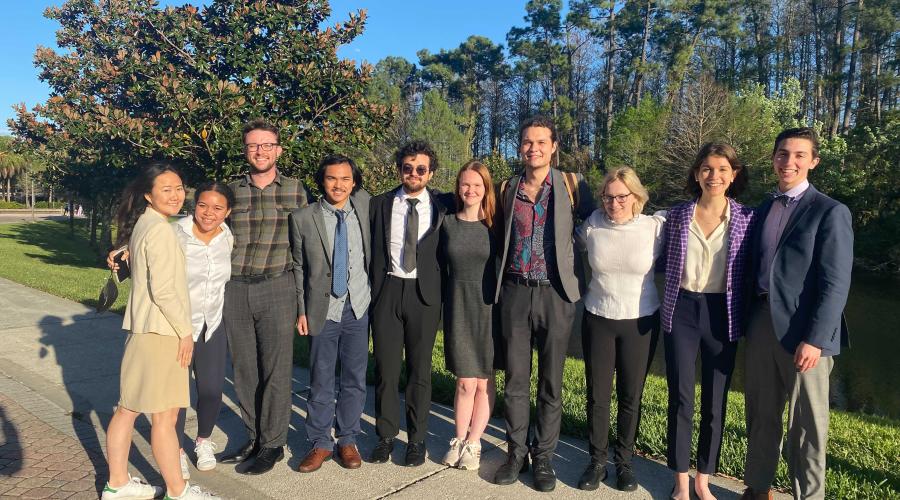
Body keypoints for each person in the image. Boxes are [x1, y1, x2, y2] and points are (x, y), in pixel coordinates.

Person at [741, 128, 853, 500]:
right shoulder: (763, 207)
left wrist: (817, 339)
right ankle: (758, 488)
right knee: (760, 413)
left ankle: (809, 495)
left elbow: (835, 284)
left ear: (813, 162)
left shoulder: (830, 212)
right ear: (773, 158)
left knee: (806, 424)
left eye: (799, 155)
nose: (789, 162)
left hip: (805, 333)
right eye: (782, 154)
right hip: (759, 322)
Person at [102, 162, 219, 500]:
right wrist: (185, 332)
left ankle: (118, 483)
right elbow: (164, 291)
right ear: (148, 195)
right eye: (166, 189)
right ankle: (177, 491)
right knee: (164, 418)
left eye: (179, 187)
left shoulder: (145, 225)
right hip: (162, 332)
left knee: (128, 410)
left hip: (145, 331)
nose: (176, 194)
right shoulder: (159, 230)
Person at [492, 116, 594, 492]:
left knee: (551, 381)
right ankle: (516, 452)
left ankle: (544, 457)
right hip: (515, 292)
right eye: (526, 142)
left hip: (556, 293)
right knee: (516, 380)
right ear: (519, 146)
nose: (532, 148)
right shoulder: (507, 187)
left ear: (554, 146)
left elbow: (599, 224)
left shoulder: (572, 184)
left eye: (540, 142)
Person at [661, 143, 755, 500]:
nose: (714, 176)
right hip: (681, 309)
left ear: (734, 175)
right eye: (707, 168)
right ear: (696, 173)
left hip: (723, 314)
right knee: (681, 397)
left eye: (722, 169)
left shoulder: (748, 219)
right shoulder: (676, 216)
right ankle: (681, 480)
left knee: (716, 401)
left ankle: (704, 478)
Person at [218, 119, 309, 475]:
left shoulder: (297, 191)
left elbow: (309, 246)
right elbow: (200, 227)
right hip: (236, 288)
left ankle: (273, 443)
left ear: (279, 150)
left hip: (278, 286)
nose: (260, 151)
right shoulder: (230, 192)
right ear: (245, 150)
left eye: (267, 145)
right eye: (254, 145)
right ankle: (253, 436)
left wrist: (305, 302)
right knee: (244, 370)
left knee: (276, 369)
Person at [575, 167, 664, 492]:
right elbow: (570, 247)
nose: (614, 203)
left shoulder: (654, 227)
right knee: (597, 397)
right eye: (608, 196)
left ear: (635, 197)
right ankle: (597, 461)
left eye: (621, 196)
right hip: (598, 318)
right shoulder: (593, 224)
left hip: (640, 322)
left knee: (630, 396)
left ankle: (624, 463)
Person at [369, 140, 452, 467]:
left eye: (421, 169)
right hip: (388, 290)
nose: (414, 173)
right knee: (386, 369)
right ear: (399, 170)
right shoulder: (380, 204)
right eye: (407, 167)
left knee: (420, 372)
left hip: (425, 295)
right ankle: (386, 436)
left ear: (431, 172)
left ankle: (417, 440)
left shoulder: (445, 205)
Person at [288, 155, 371, 473]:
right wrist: (301, 309)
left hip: (358, 307)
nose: (339, 185)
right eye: (332, 178)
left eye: (346, 179)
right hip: (323, 309)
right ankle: (321, 442)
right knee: (321, 379)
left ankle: (348, 439)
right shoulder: (303, 217)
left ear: (354, 182)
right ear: (322, 181)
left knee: (354, 378)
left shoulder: (364, 207)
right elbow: (298, 266)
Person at [439, 160, 498, 471]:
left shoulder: (496, 226)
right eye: (465, 184)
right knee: (464, 382)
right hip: (458, 306)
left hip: (489, 310)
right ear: (458, 187)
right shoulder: (446, 223)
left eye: (477, 184)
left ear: (485, 188)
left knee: (482, 381)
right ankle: (458, 439)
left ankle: (474, 443)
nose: (470, 190)